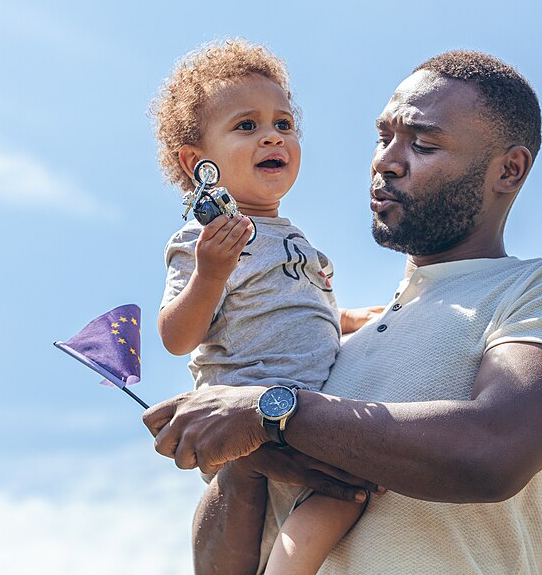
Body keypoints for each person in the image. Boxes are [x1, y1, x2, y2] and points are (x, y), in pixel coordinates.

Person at [144, 50, 542, 574]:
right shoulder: (325, 353)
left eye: (422, 143)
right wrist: (249, 457)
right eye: (383, 138)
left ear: (509, 170)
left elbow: (495, 450)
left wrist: (272, 412)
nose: (386, 161)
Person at [151, 39, 383, 575]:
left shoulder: (296, 239)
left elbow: (304, 306)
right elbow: (177, 336)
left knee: (341, 494)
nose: (272, 135)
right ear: (197, 163)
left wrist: (349, 319)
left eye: (283, 123)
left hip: (304, 411)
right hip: (245, 413)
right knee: (280, 497)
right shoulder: (206, 237)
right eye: (247, 126)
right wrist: (211, 273)